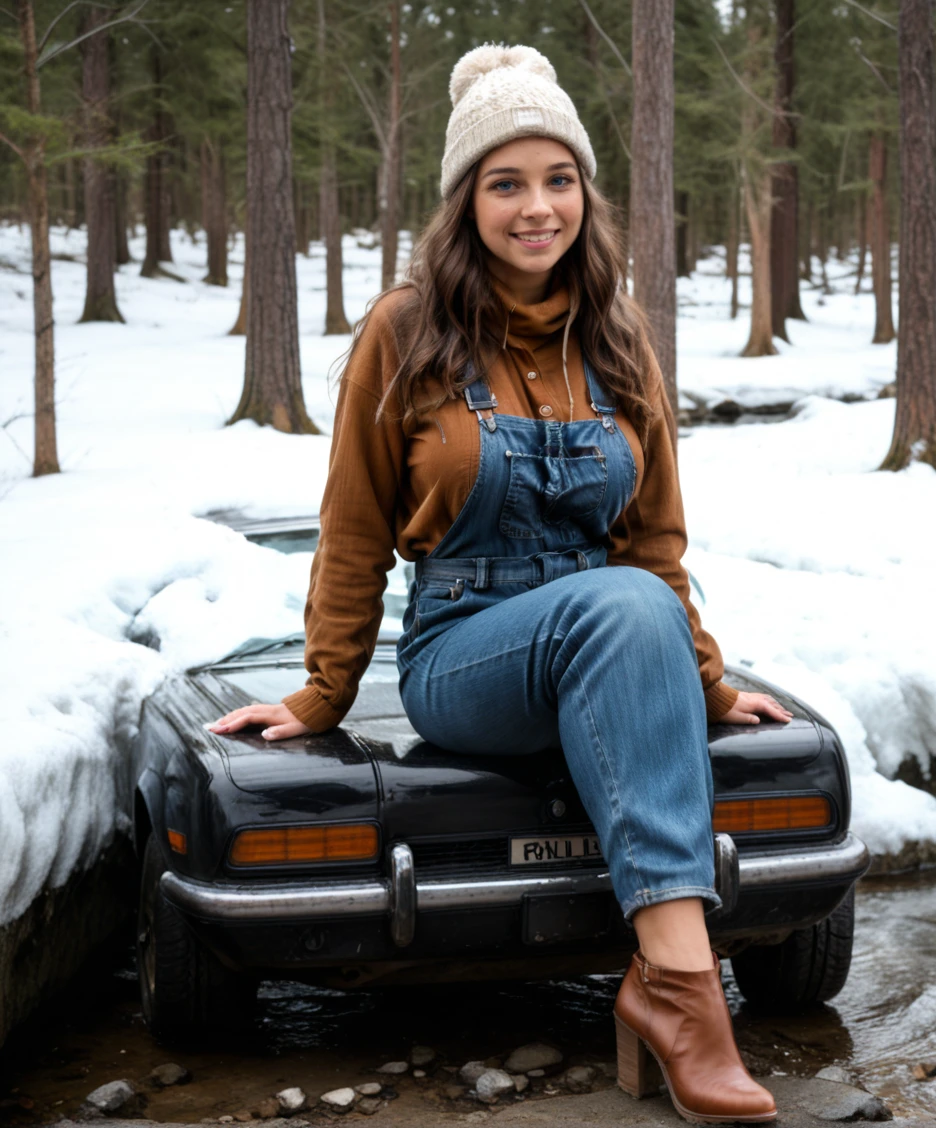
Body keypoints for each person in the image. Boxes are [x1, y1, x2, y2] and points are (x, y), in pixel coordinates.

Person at [209, 43, 790, 1124]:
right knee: (624, 603)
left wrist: (707, 685)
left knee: (629, 600)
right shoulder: (405, 330)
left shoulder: (619, 336)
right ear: (466, 202)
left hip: (609, 635)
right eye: (506, 183)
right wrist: (322, 694)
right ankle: (682, 987)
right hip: (465, 652)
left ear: (586, 192)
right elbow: (353, 526)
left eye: (558, 179)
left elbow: (655, 538)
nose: (538, 208)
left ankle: (667, 985)